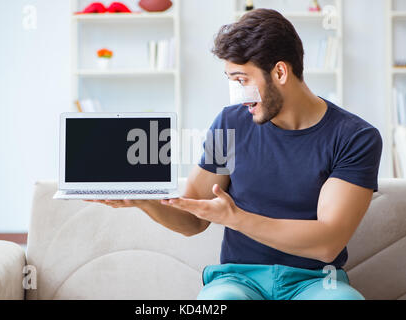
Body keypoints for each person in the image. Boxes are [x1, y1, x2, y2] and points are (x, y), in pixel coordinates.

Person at [87, 9, 382, 300]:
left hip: (317, 283)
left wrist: (236, 218)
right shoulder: (230, 123)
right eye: (232, 81)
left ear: (280, 72)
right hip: (237, 279)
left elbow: (327, 245)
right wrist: (145, 201)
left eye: (242, 80)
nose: (237, 95)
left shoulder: (355, 138)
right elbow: (193, 220)